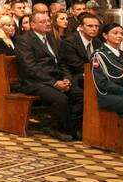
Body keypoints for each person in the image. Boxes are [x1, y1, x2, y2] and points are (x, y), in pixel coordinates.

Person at [15, 11, 82, 142]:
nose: (47, 24)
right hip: (34, 82)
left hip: (56, 78)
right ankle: (58, 128)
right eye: (43, 22)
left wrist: (66, 78)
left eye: (48, 21)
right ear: (33, 25)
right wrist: (53, 83)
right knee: (60, 98)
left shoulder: (51, 37)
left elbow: (61, 62)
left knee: (80, 95)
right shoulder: (24, 41)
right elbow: (30, 68)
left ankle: (73, 128)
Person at [91, 22, 123, 116]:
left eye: (121, 33)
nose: (119, 36)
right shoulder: (99, 55)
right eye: (115, 33)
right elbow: (103, 84)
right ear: (105, 35)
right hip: (109, 96)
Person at [59, 12, 102, 89]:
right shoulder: (69, 42)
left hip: (95, 78)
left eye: (96, 26)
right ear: (81, 27)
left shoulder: (97, 42)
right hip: (76, 80)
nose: (94, 29)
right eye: (90, 26)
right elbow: (78, 67)